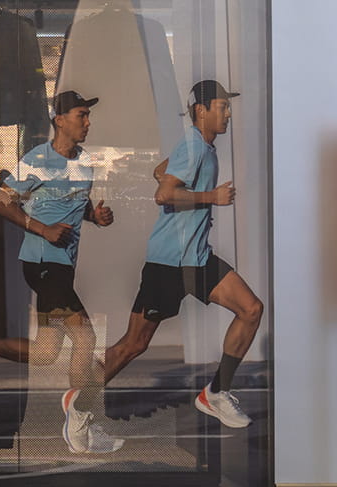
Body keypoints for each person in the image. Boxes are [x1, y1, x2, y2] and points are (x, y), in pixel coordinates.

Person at [0, 90, 124, 454]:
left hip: (62, 267)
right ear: (60, 119)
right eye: (81, 115)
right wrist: (41, 229)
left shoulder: (85, 163)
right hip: (42, 263)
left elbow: (71, 206)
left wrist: (94, 216)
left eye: (88, 116)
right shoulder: (37, 159)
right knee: (85, 340)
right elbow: (2, 202)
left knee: (45, 352)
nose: (88, 122)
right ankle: (80, 421)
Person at [96, 79, 262, 428]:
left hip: (196, 259)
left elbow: (161, 175)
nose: (228, 113)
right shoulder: (194, 146)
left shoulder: (201, 146)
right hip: (168, 263)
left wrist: (169, 177)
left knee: (251, 309)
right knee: (133, 345)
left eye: (228, 107)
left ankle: (216, 393)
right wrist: (210, 197)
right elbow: (163, 195)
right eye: (222, 107)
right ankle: (80, 401)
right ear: (201, 111)